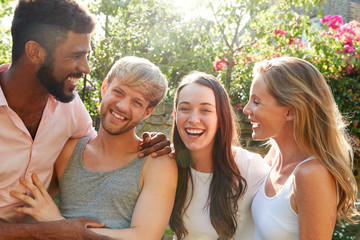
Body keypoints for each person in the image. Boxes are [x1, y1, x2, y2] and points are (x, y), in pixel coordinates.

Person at [0, 0, 170, 239]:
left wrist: (156, 142)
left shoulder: (68, 106)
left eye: (86, 55)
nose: (86, 67)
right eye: (76, 55)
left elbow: (102, 148)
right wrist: (52, 228)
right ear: (35, 52)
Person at [11, 56, 178, 240]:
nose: (122, 106)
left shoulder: (157, 163)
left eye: (137, 102)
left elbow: (144, 236)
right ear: (104, 88)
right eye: (119, 92)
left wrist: (59, 223)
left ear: (147, 112)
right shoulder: (68, 151)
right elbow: (33, 203)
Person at [243, 57, 359, 239]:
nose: (246, 109)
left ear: (289, 112)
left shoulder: (311, 175)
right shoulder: (274, 158)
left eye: (256, 102)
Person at [169, 71, 270, 239]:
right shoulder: (168, 164)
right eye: (185, 108)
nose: (194, 119)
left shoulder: (250, 168)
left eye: (205, 110)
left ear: (221, 118)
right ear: (175, 115)